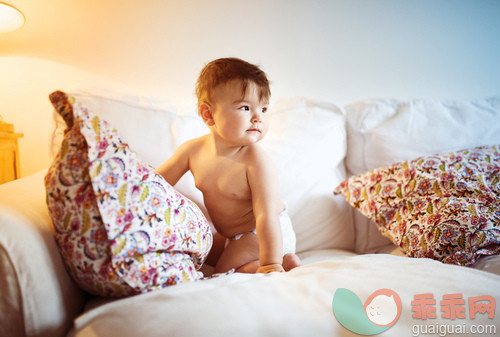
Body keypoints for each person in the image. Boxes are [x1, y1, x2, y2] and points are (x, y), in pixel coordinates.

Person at [156, 57, 301, 274]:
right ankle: (262, 264)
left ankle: (280, 262)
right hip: (231, 237)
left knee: (220, 272)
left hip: (266, 233)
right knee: (199, 252)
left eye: (263, 109)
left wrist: (271, 264)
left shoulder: (256, 161)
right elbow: (156, 183)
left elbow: (265, 215)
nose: (257, 118)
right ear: (209, 114)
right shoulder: (191, 151)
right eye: (245, 107)